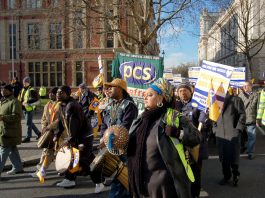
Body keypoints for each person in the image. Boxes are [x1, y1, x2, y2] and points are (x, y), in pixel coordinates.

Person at [127, 78, 201, 198]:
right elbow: (130, 146)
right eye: (144, 95)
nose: (145, 97)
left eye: (150, 95)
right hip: (142, 183)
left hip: (164, 185)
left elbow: (197, 137)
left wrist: (178, 133)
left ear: (161, 98)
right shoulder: (140, 119)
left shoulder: (175, 117)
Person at [100, 78, 138, 198]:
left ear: (121, 89)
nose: (108, 90)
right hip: (111, 145)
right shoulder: (109, 105)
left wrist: (109, 138)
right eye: (107, 88)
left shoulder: (129, 105)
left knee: (122, 177)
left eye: (111, 87)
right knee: (119, 176)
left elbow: (125, 126)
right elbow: (104, 124)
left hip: (124, 147)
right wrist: (102, 137)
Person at [174, 82, 210, 198]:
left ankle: (195, 193)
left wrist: (204, 119)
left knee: (195, 172)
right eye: (180, 91)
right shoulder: (176, 106)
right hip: (181, 145)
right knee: (183, 171)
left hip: (195, 146)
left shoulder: (198, 105)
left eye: (185, 90)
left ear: (191, 91)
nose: (183, 93)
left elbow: (203, 124)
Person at [54, 85, 94, 188]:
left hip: (83, 136)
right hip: (78, 135)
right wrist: (57, 134)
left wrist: (70, 139)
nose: (58, 94)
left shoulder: (72, 106)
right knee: (84, 158)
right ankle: (98, 173)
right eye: (57, 93)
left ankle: (70, 179)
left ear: (67, 94)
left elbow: (74, 125)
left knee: (77, 157)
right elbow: (61, 122)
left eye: (61, 93)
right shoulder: (62, 105)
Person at [213, 92, 246, 186]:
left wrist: (238, 129)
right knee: (223, 157)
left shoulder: (236, 100)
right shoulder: (214, 101)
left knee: (234, 157)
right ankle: (226, 176)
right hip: (220, 133)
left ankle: (236, 175)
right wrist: (214, 129)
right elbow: (213, 117)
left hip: (232, 132)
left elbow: (242, 114)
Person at [30, 87, 60, 178]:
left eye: (53, 93)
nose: (50, 94)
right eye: (50, 93)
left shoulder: (60, 105)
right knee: (46, 150)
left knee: (60, 152)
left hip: (59, 132)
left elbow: (60, 119)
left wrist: (50, 126)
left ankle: (65, 169)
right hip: (49, 133)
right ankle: (41, 170)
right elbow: (43, 118)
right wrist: (44, 127)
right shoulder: (47, 105)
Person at [0, 84, 24, 178]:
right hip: (4, 130)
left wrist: (3, 117)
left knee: (3, 152)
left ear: (10, 91)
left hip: (10, 132)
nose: (3, 91)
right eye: (2, 89)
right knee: (12, 150)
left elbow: (17, 117)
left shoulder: (15, 102)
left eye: (5, 90)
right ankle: (18, 168)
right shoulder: (3, 101)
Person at [238, 82, 259, 160]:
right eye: (243, 86)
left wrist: (257, 118)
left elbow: (254, 107)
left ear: (251, 86)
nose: (244, 87)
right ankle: (244, 148)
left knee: (252, 137)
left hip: (251, 119)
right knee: (242, 137)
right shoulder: (240, 95)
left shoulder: (255, 94)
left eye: (246, 86)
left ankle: (250, 153)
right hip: (242, 119)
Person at [18, 76, 41, 143]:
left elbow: (35, 99)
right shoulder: (22, 90)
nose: (24, 83)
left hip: (29, 108)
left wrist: (27, 101)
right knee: (30, 122)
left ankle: (28, 137)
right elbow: (20, 98)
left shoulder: (31, 90)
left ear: (28, 83)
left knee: (28, 123)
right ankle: (39, 133)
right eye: (24, 82)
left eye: (26, 82)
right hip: (24, 108)